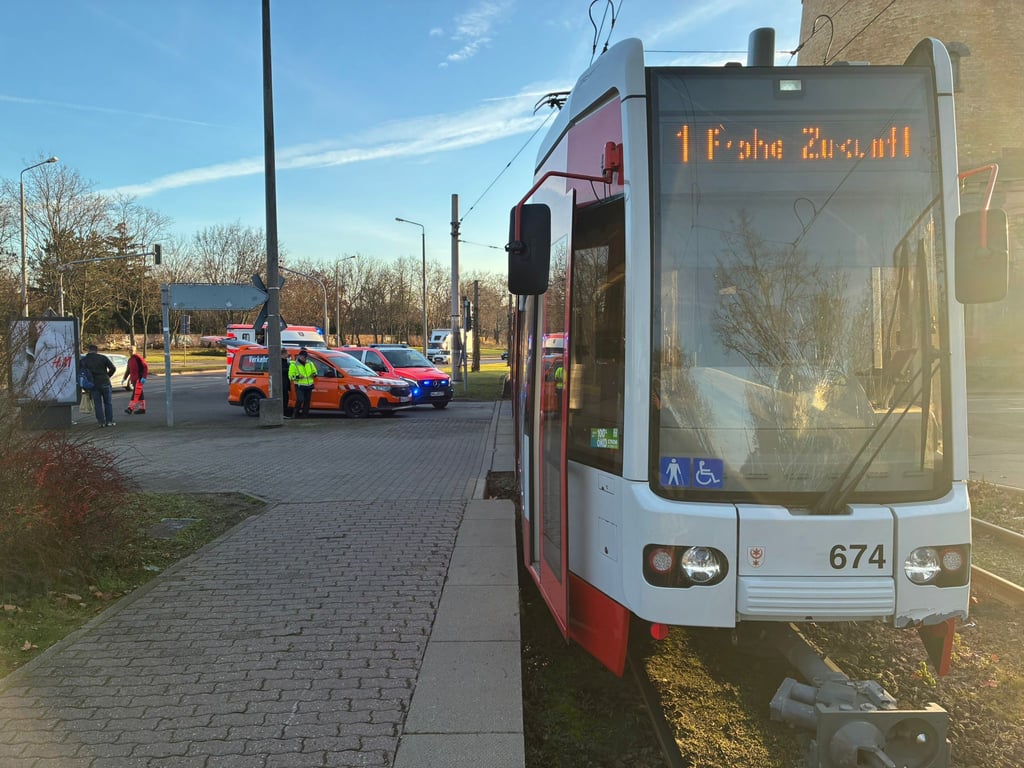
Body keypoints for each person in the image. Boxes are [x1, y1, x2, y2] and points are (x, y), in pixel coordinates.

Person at [81, 344, 117, 427]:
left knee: (97, 404)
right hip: (105, 381)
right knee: (108, 403)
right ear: (96, 350)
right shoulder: (103, 358)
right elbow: (113, 368)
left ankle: (101, 422)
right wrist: (108, 375)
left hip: (93, 384)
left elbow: (82, 373)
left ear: (88, 350)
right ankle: (109, 421)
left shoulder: (85, 360)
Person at [288, 348, 317, 418]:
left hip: (309, 385)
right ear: (300, 356)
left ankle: (305, 415)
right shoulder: (294, 365)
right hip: (299, 385)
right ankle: (295, 413)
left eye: (306, 357)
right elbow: (291, 376)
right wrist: (298, 377)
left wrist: (314, 374)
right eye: (304, 357)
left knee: (307, 401)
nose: (305, 359)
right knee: (300, 399)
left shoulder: (310, 363)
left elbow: (315, 371)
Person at [122, 345, 149, 415]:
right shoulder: (130, 359)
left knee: (136, 394)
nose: (130, 351)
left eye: (132, 350)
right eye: (129, 350)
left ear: (135, 351)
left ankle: (130, 408)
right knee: (140, 394)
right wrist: (124, 378)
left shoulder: (138, 358)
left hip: (139, 379)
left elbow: (145, 367)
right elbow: (128, 370)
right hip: (133, 380)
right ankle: (142, 408)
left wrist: (144, 377)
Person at [280, 348, 293, 417]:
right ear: (283, 354)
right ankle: (284, 413)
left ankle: (285, 412)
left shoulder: (285, 361)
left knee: (286, 399)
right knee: (284, 399)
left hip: (285, 383)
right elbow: (282, 370)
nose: (288, 355)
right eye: (287, 353)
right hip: (283, 383)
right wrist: (290, 369)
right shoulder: (280, 362)